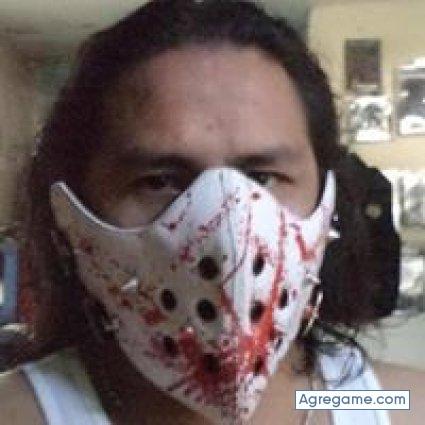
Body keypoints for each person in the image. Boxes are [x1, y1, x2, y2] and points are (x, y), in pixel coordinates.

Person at [0, 1, 424, 424]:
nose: (226, 239)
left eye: (263, 178)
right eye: (160, 181)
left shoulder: (394, 405)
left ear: (326, 201)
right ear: (72, 214)